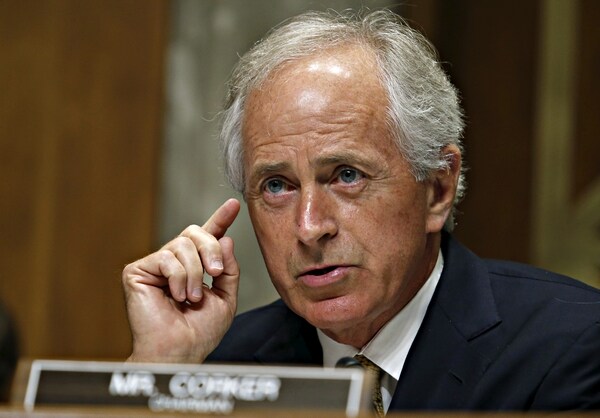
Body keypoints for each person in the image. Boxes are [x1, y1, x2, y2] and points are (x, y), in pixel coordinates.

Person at [122, 9, 600, 413]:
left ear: (437, 189)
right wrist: (158, 368)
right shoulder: (217, 366)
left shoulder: (570, 346)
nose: (310, 227)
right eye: (277, 186)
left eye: (347, 175)